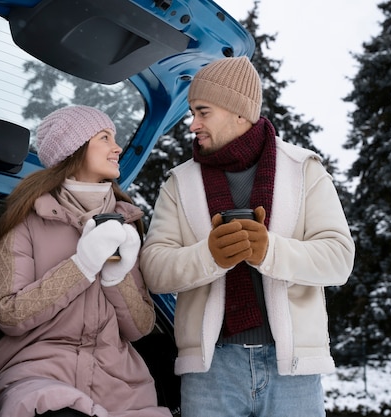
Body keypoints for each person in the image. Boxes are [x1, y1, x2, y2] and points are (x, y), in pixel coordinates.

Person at [139, 56, 355, 417]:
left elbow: (339, 259)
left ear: (238, 112)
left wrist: (268, 250)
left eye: (202, 112)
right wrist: (211, 256)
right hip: (210, 371)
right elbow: (154, 270)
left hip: (293, 371)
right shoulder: (180, 182)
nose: (193, 124)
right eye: (193, 112)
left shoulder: (305, 170)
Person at [0, 105, 172, 417]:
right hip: (38, 373)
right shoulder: (25, 219)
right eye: (105, 137)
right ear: (75, 149)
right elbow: (9, 315)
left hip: (121, 383)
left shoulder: (126, 224)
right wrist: (81, 266)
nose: (118, 147)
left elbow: (141, 327)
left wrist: (116, 276)